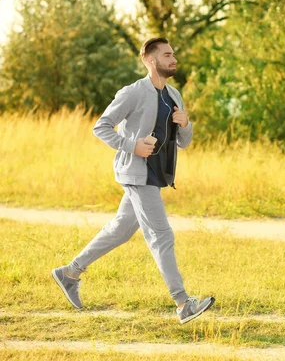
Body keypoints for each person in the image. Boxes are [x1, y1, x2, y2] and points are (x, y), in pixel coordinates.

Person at [52, 37, 214, 324]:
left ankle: (70, 273)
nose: (173, 58)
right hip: (138, 174)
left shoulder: (174, 95)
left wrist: (186, 124)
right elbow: (100, 126)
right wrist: (132, 145)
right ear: (151, 61)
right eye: (167, 55)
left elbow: (184, 142)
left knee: (120, 230)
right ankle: (182, 303)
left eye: (173, 53)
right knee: (161, 235)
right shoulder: (134, 92)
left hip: (157, 174)